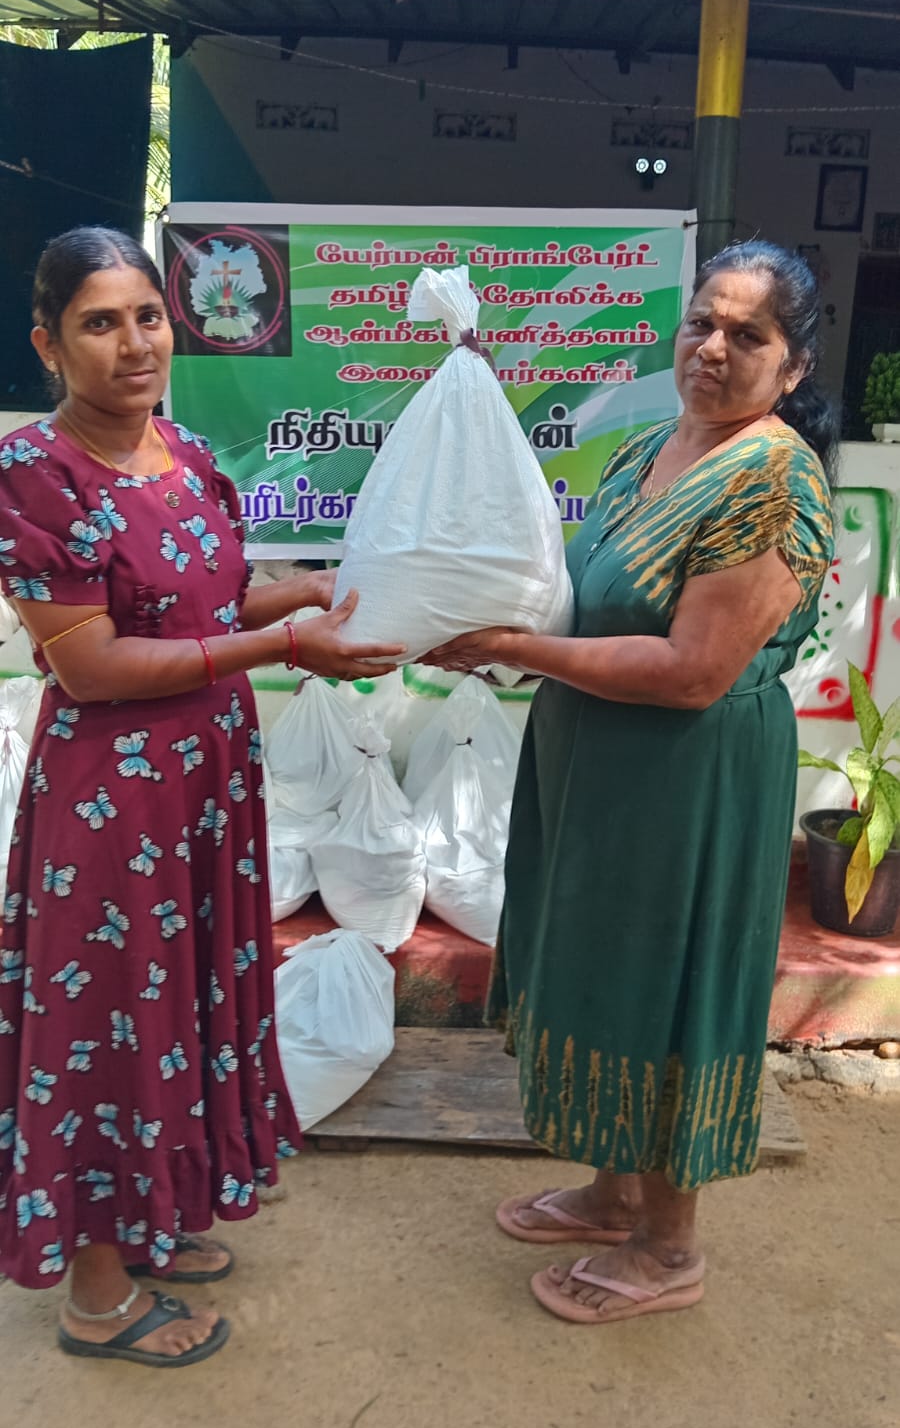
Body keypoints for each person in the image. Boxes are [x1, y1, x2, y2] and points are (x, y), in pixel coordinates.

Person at [0, 226, 402, 1366]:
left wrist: (309, 589)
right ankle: (95, 1297)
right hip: (113, 803)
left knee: (177, 1007)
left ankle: (150, 1218)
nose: (134, 344)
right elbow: (93, 665)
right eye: (99, 323)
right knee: (106, 1025)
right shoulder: (36, 475)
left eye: (147, 317)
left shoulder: (181, 450)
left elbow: (210, 602)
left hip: (205, 787)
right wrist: (281, 645)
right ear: (48, 344)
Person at [427, 240, 837, 1325]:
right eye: (703, 321)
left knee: (665, 980)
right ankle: (615, 1195)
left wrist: (514, 648)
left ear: (793, 365)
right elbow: (583, 594)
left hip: (686, 776)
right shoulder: (656, 446)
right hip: (598, 758)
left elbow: (695, 670)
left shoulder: (771, 479)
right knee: (605, 967)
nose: (713, 347)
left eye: (748, 335)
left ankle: (670, 1244)